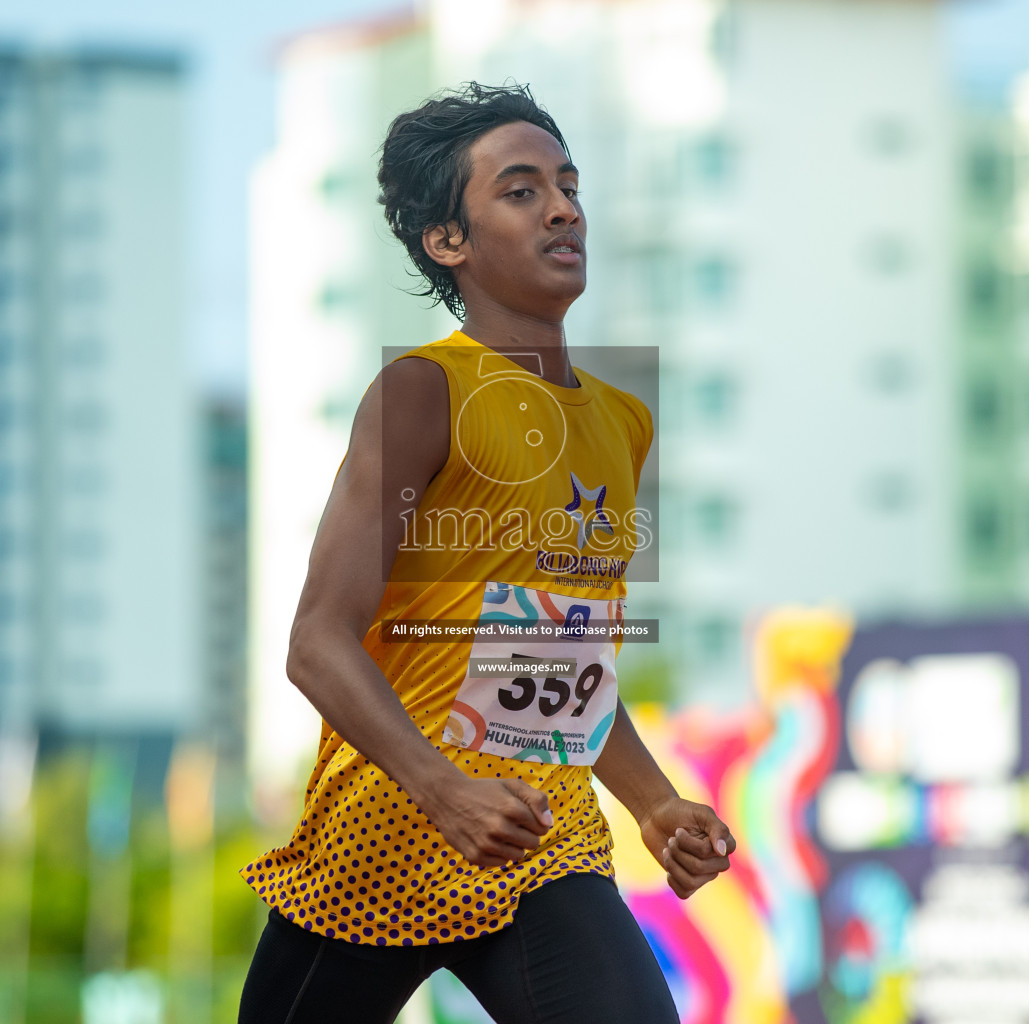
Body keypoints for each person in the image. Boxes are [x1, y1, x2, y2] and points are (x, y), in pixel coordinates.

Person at [238, 82, 736, 1024]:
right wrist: (444, 791)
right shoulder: (422, 391)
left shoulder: (623, 423)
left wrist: (653, 802)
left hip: (538, 836)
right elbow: (316, 642)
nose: (563, 207)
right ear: (447, 242)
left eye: (569, 184)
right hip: (382, 834)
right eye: (520, 190)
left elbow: (558, 660)